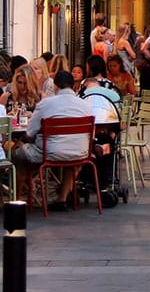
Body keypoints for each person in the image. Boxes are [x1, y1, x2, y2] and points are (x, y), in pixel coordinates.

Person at [14, 71, 94, 211]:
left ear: (55, 86)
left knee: (18, 155)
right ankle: (61, 198)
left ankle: (18, 199)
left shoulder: (45, 104)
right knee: (69, 159)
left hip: (49, 154)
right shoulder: (86, 105)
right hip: (80, 153)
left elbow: (29, 133)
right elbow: (91, 136)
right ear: (73, 86)